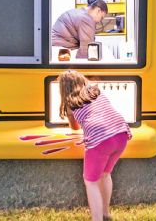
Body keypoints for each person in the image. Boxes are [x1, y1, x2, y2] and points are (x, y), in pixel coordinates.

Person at [58, 70, 132, 221]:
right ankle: (106, 214)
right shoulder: (95, 91)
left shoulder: (71, 103)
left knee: (91, 181)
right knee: (105, 174)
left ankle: (96, 219)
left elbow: (75, 128)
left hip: (101, 140)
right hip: (121, 133)